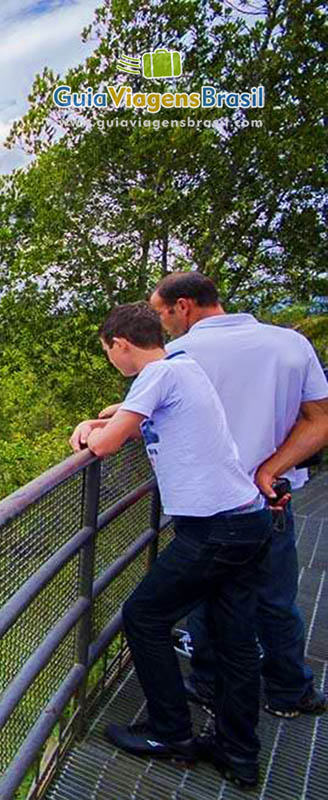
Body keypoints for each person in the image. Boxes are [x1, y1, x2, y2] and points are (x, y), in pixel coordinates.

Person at [101, 272, 328, 719]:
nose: (162, 326)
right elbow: (319, 418)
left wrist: (100, 424)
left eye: (163, 313)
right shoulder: (290, 343)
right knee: (277, 597)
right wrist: (271, 469)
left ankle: (207, 685)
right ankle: (289, 689)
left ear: (182, 306)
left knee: (212, 603)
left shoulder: (179, 356)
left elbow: (137, 414)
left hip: (210, 504)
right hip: (268, 495)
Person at [70, 302, 272, 787]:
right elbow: (136, 416)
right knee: (235, 640)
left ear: (120, 344)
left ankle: (170, 732)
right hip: (246, 520)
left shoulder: (159, 374)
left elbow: (105, 444)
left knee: (144, 615)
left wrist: (88, 430)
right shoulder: (184, 368)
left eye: (108, 353)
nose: (111, 362)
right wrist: (114, 415)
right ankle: (238, 753)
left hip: (215, 530)